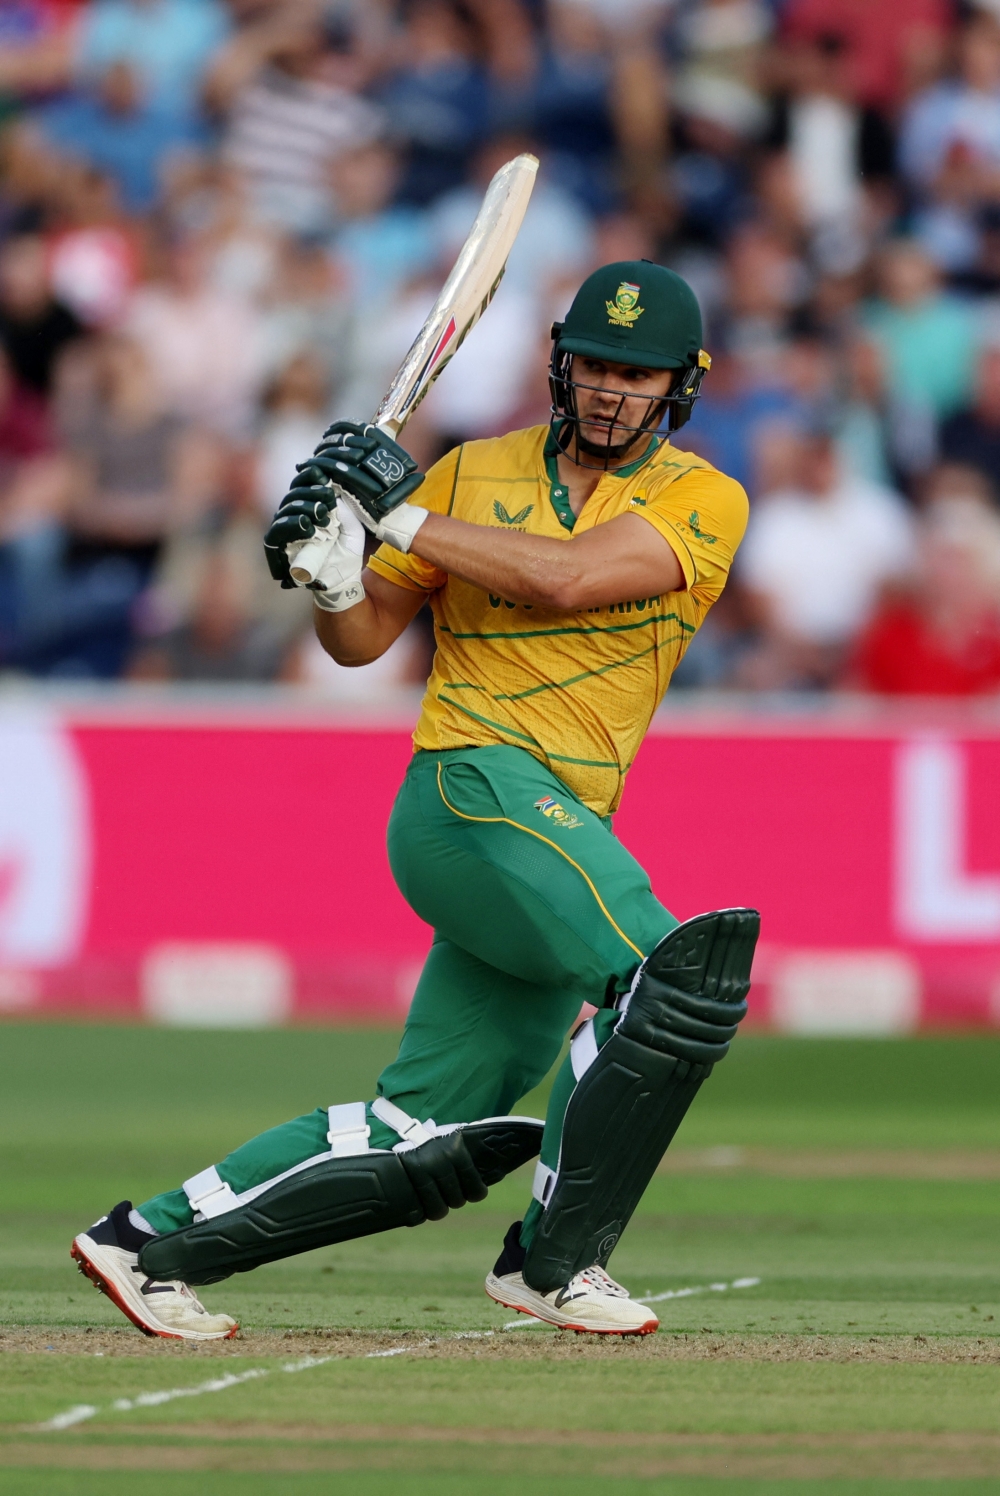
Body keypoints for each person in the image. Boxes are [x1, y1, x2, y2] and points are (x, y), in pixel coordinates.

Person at [71, 261, 759, 1341]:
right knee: (676, 979)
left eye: (639, 374)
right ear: (559, 365)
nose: (611, 391)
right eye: (594, 366)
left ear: (681, 385)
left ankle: (141, 1241)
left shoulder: (701, 496)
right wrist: (332, 573)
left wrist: (397, 514)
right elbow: (359, 642)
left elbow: (571, 576)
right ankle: (553, 1262)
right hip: (469, 787)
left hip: (553, 833)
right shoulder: (468, 470)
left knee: (418, 1136)